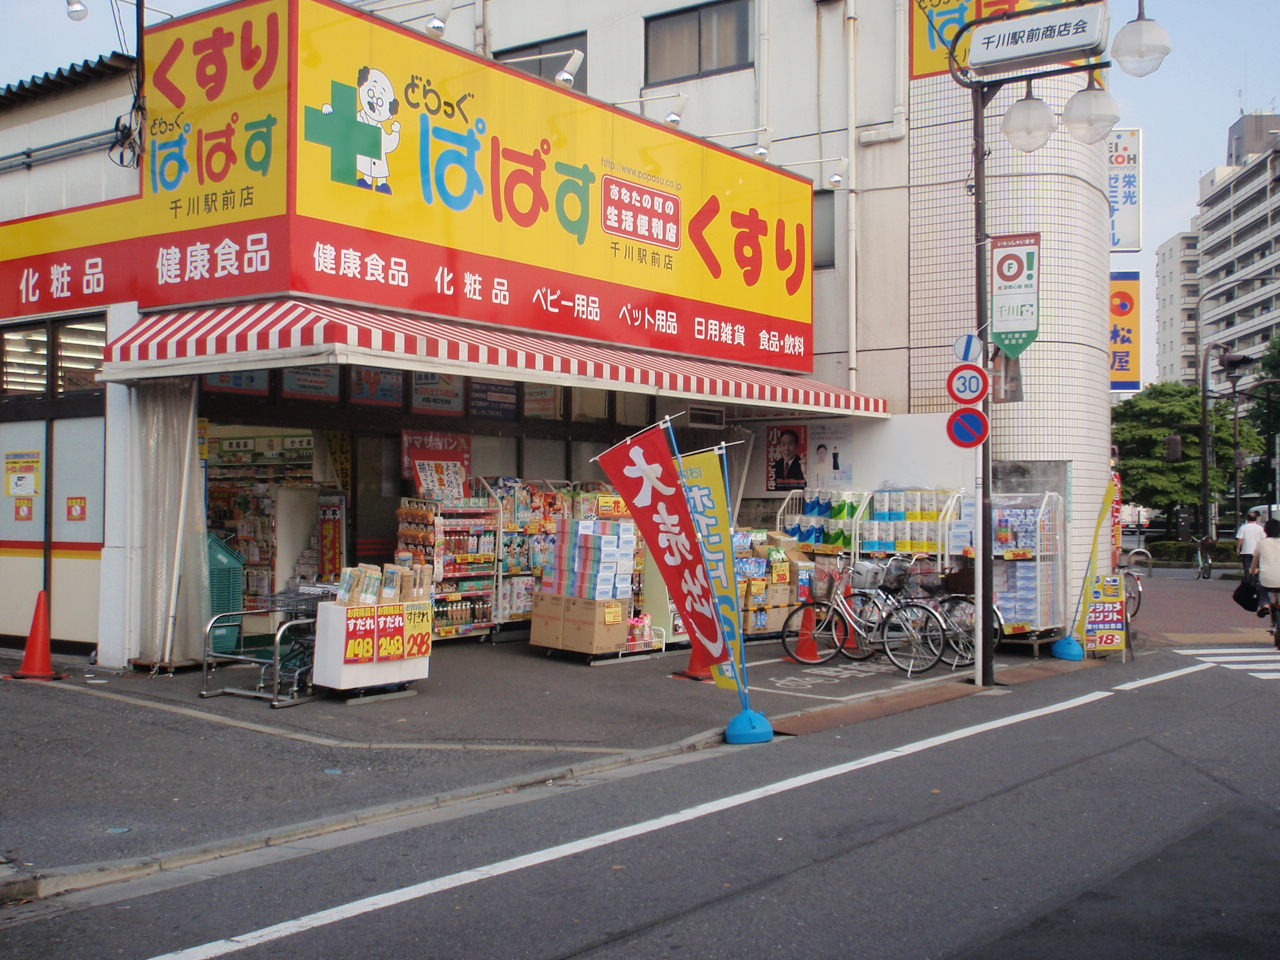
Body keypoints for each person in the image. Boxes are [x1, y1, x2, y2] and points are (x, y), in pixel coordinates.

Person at [1250, 518, 1280, 645]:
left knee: (1261, 588)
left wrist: (1253, 570)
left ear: (1265, 530)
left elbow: (1255, 561)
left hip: (1267, 578)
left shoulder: (1261, 543)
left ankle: (1265, 605)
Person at [1235, 510, 1265, 576]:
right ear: (1256, 519)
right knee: (1256, 569)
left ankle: (1248, 580)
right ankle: (1255, 580)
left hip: (1246, 551)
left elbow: (1240, 539)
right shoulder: (1260, 528)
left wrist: (1238, 549)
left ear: (1247, 518)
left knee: (1247, 570)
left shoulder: (1243, 528)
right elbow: (1263, 540)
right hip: (1257, 552)